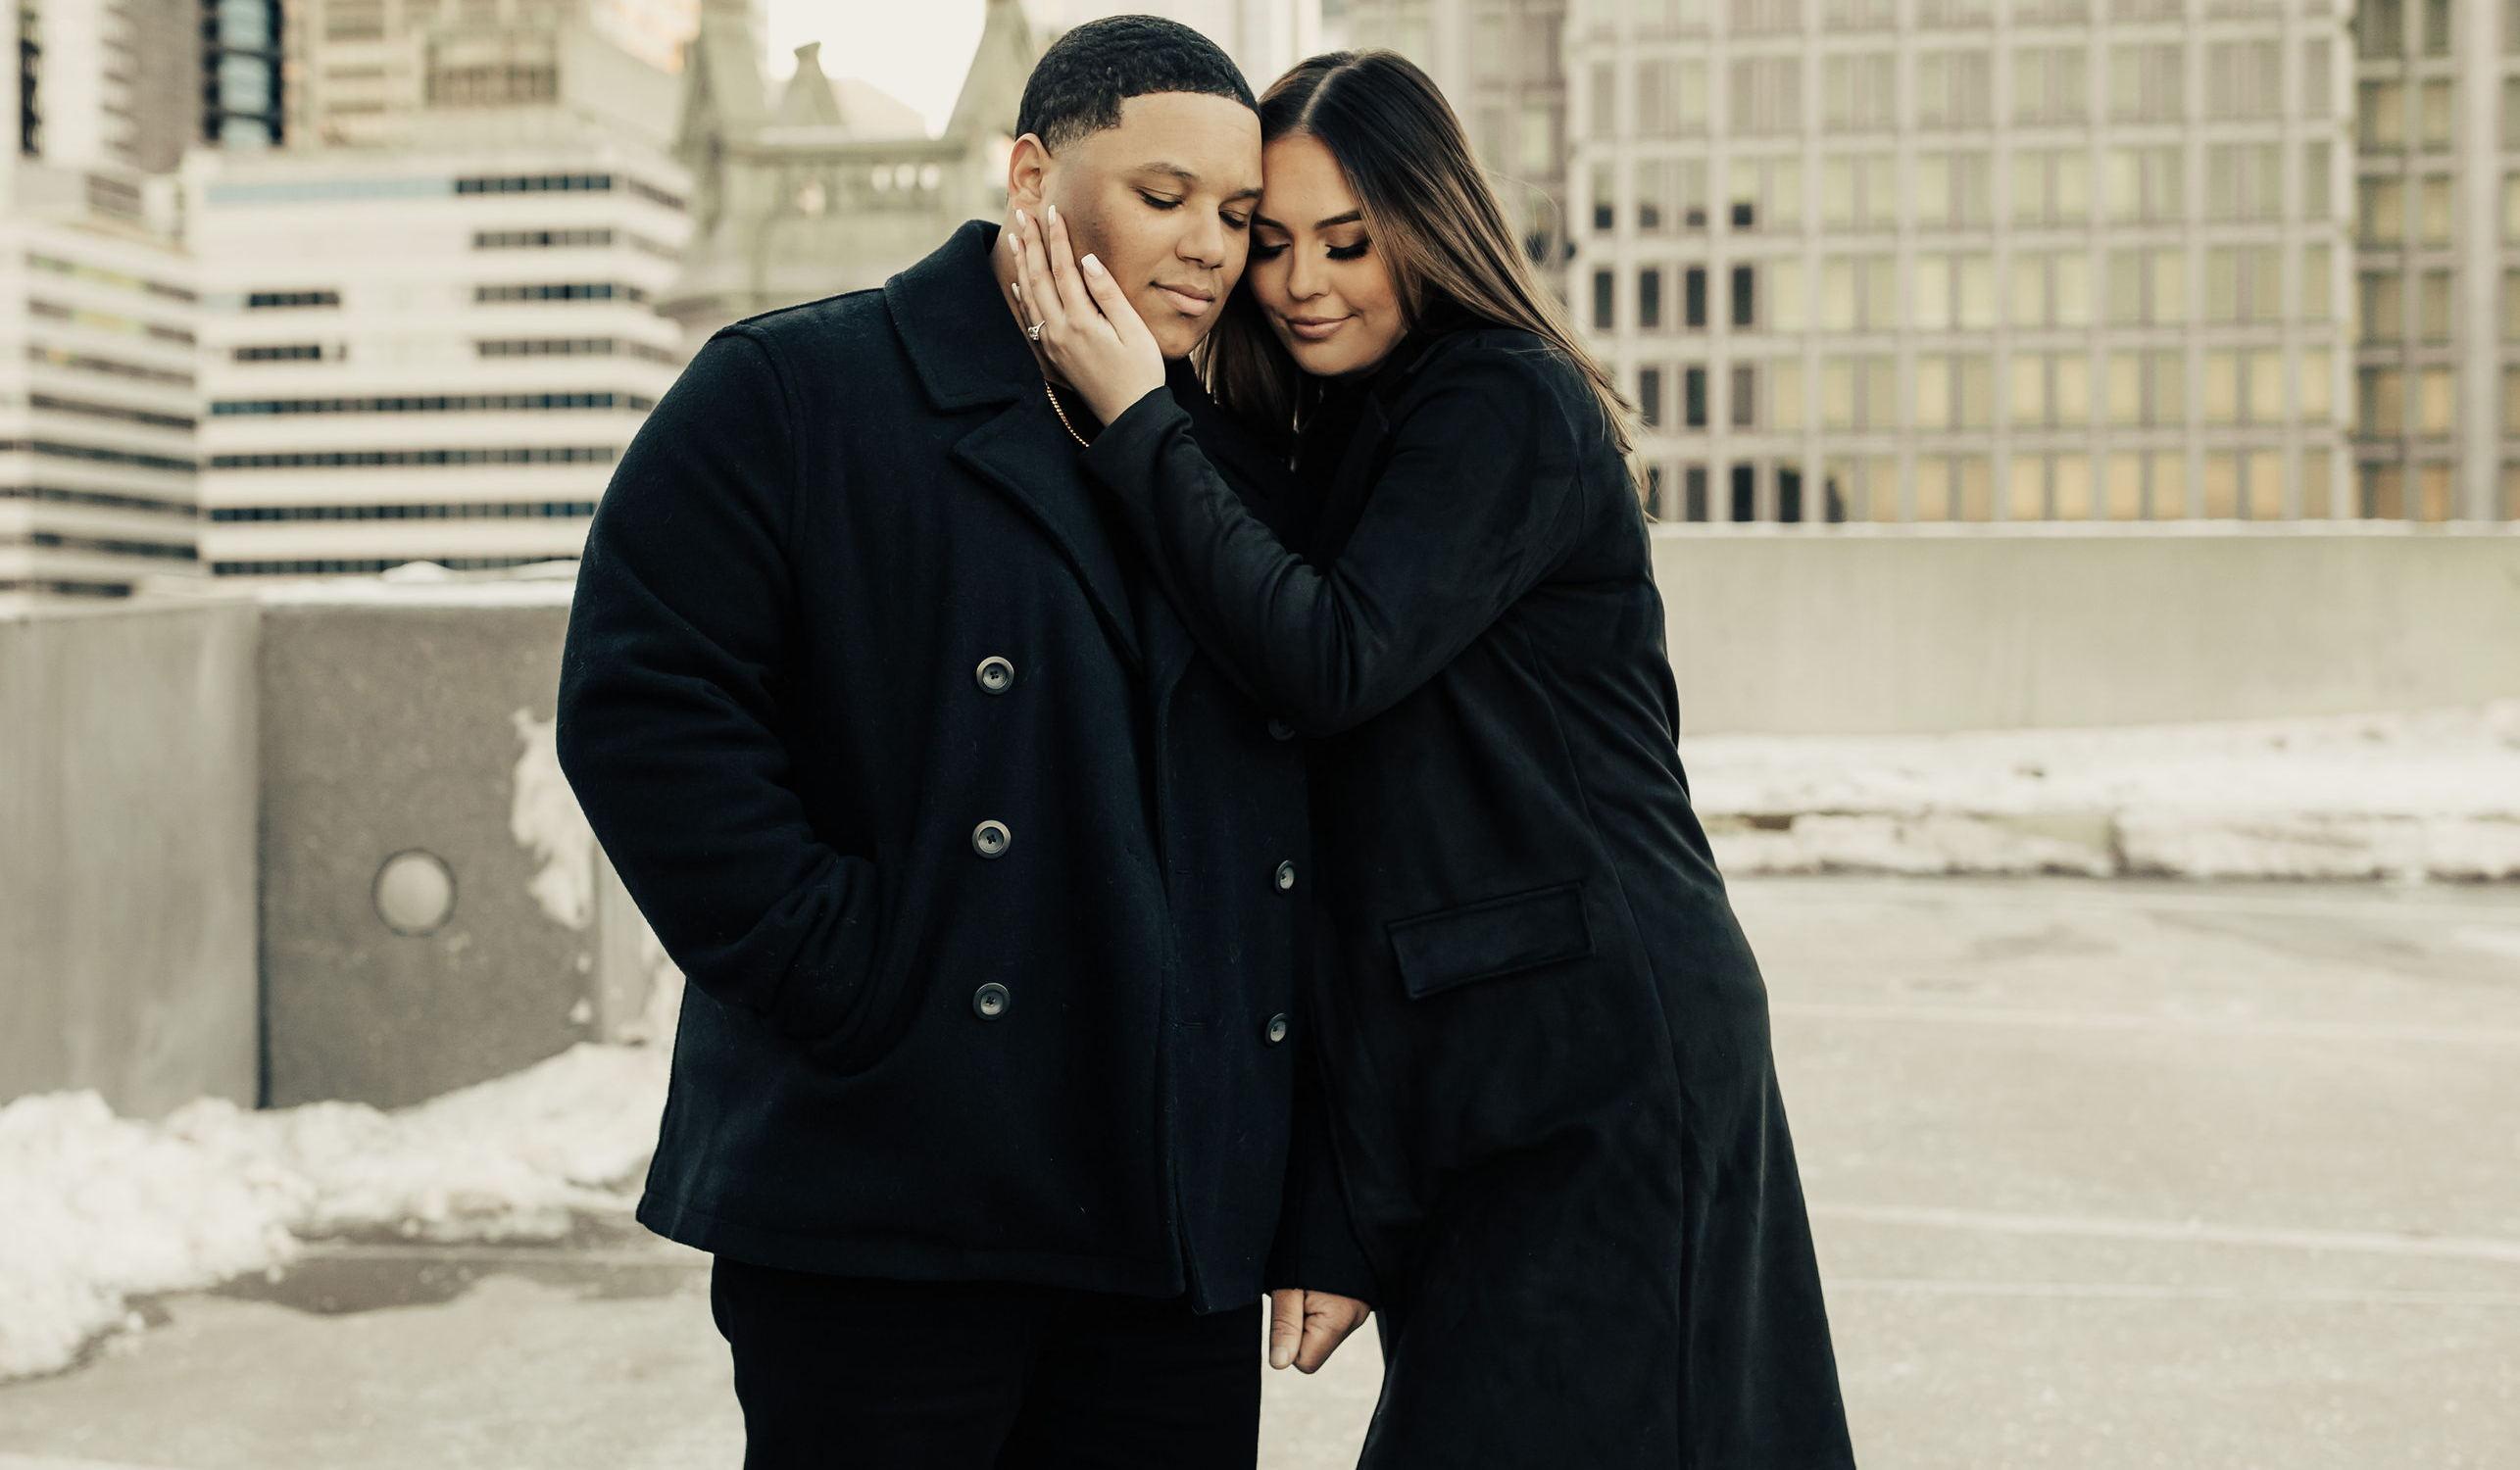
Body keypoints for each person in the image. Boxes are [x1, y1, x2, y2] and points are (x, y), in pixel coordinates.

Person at [1007, 48, 1858, 1468]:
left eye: (1349, 243)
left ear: (1431, 225)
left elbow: (1329, 661)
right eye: (1270, 241)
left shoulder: (1504, 402)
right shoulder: (1338, 428)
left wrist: (1135, 416)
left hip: (1594, 1053)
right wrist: (1338, 1195)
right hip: (1465, 1059)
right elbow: (1328, 837)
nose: (1300, 283)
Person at [556, 18, 1362, 1467]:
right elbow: (643, 711)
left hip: (1167, 1216)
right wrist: (856, 971)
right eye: (1165, 195)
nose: (1210, 248)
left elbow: (1306, 833)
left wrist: (1315, 1186)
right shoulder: (795, 390)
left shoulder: (1229, 459)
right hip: (887, 1192)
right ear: (1033, 176)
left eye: (1238, 215)